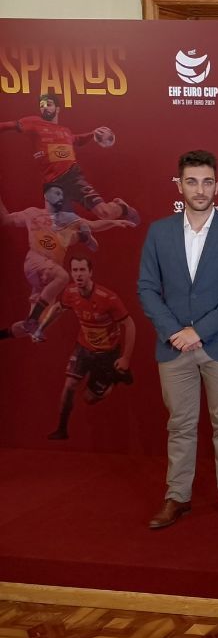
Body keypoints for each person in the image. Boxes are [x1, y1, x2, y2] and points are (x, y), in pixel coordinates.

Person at [137, 150, 218, 529]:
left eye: (207, 182)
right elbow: (147, 289)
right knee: (180, 426)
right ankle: (177, 496)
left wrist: (198, 331)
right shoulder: (159, 231)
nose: (200, 189)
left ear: (217, 186)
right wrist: (176, 332)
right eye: (192, 181)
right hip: (173, 349)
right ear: (180, 185)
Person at [0, 184, 133, 342]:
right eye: (56, 193)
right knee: (63, 276)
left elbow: (93, 225)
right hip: (36, 260)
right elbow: (6, 219)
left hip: (47, 277)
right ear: (46, 195)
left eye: (62, 194)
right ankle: (34, 318)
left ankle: (8, 332)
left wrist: (114, 223)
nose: (60, 197)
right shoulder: (33, 213)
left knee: (33, 328)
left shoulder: (68, 221)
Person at [0, 92, 139, 224]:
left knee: (105, 213)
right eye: (42, 105)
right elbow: (7, 125)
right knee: (58, 228)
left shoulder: (65, 131)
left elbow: (76, 140)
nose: (44, 107)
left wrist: (92, 134)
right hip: (51, 185)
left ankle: (122, 207)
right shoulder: (33, 122)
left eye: (48, 104)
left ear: (57, 108)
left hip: (72, 178)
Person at [48, 255, 136, 439]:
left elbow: (129, 325)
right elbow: (58, 307)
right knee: (70, 385)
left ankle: (114, 378)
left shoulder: (108, 298)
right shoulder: (70, 292)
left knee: (89, 398)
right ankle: (62, 428)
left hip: (107, 354)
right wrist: (40, 328)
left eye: (82, 270)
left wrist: (126, 358)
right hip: (83, 348)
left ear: (90, 272)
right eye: (74, 270)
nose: (78, 275)